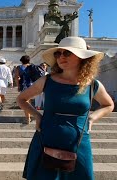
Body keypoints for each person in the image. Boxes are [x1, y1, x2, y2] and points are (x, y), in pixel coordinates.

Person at [17, 37, 114, 180]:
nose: (61, 57)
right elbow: (21, 99)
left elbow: (108, 105)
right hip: (47, 138)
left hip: (79, 142)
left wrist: (92, 118)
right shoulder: (47, 80)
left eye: (67, 53)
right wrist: (37, 116)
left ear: (82, 57)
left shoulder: (93, 85)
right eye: (58, 53)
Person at [15, 55, 33, 123]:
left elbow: (16, 78)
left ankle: (28, 118)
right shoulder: (32, 67)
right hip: (32, 86)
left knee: (25, 102)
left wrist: (18, 86)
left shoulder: (19, 68)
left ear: (21, 61)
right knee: (28, 101)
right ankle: (29, 115)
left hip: (24, 86)